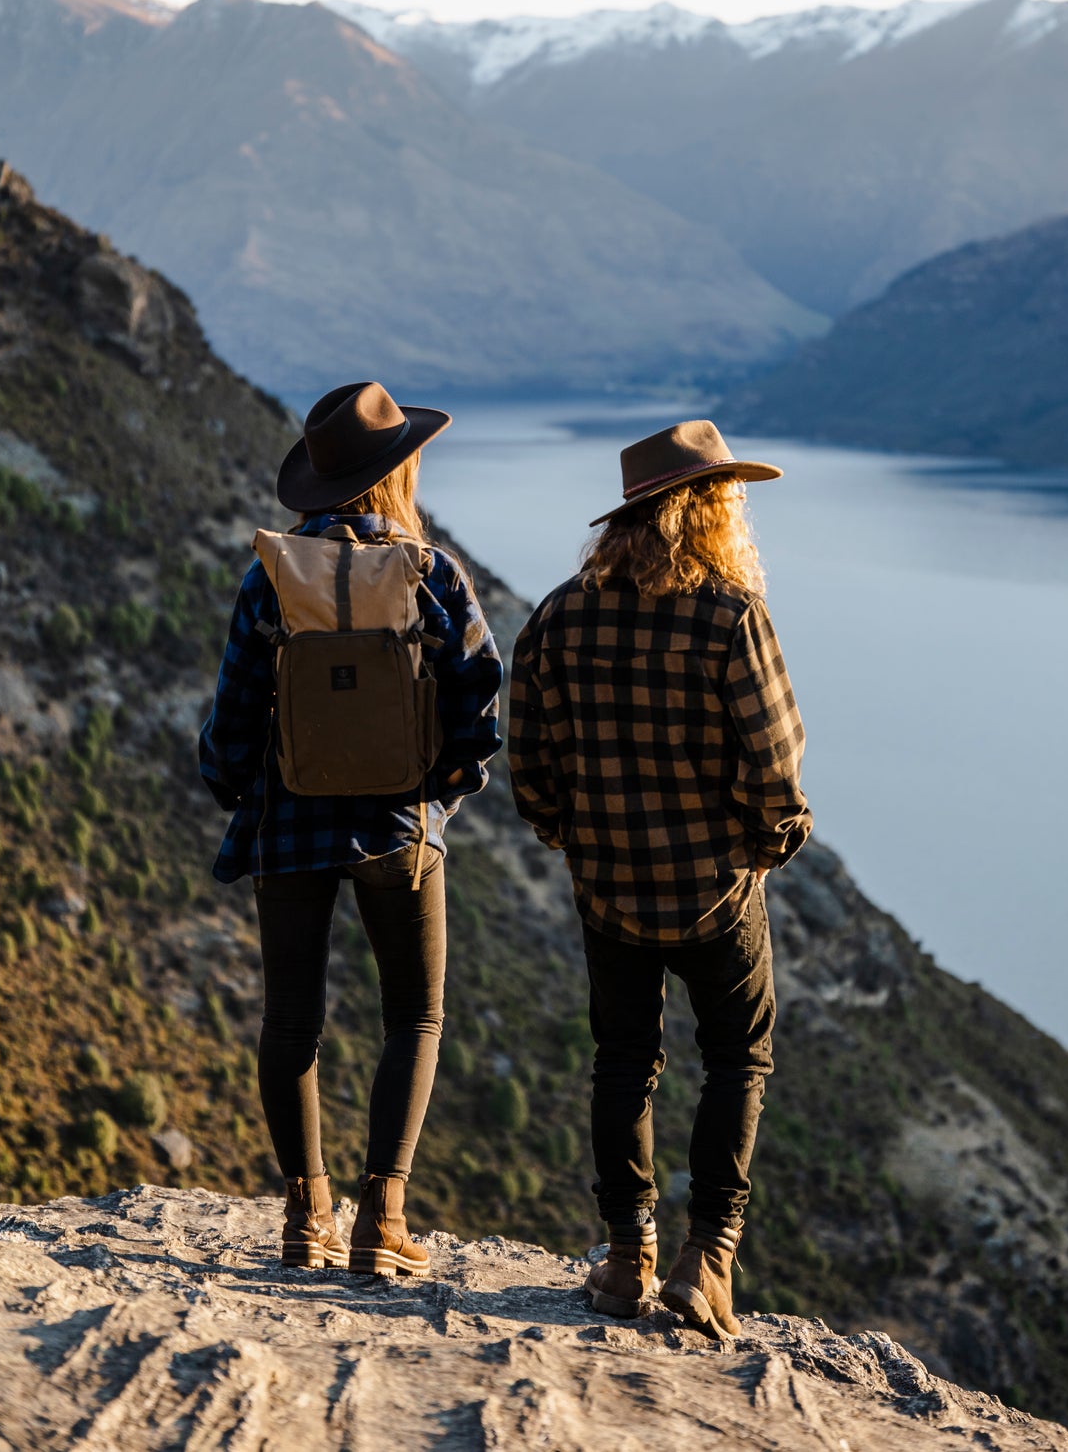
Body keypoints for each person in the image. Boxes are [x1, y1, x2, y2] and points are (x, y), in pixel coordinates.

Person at [508, 418, 811, 1340]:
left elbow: (531, 771)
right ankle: (706, 1258)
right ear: (707, 509)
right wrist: (769, 844)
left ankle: (626, 1257)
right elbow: (775, 770)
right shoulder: (729, 615)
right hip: (717, 891)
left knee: (623, 1061)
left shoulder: (558, 615)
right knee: (737, 1057)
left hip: (609, 891)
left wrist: (579, 838)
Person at [200, 382, 503, 1272]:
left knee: (292, 1017)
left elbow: (234, 721)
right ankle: (384, 1219)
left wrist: (238, 790)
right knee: (414, 1014)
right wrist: (432, 797)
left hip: (288, 826)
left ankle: (305, 1217)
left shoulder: (273, 574)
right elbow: (481, 705)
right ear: (394, 472)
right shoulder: (431, 572)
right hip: (397, 827)